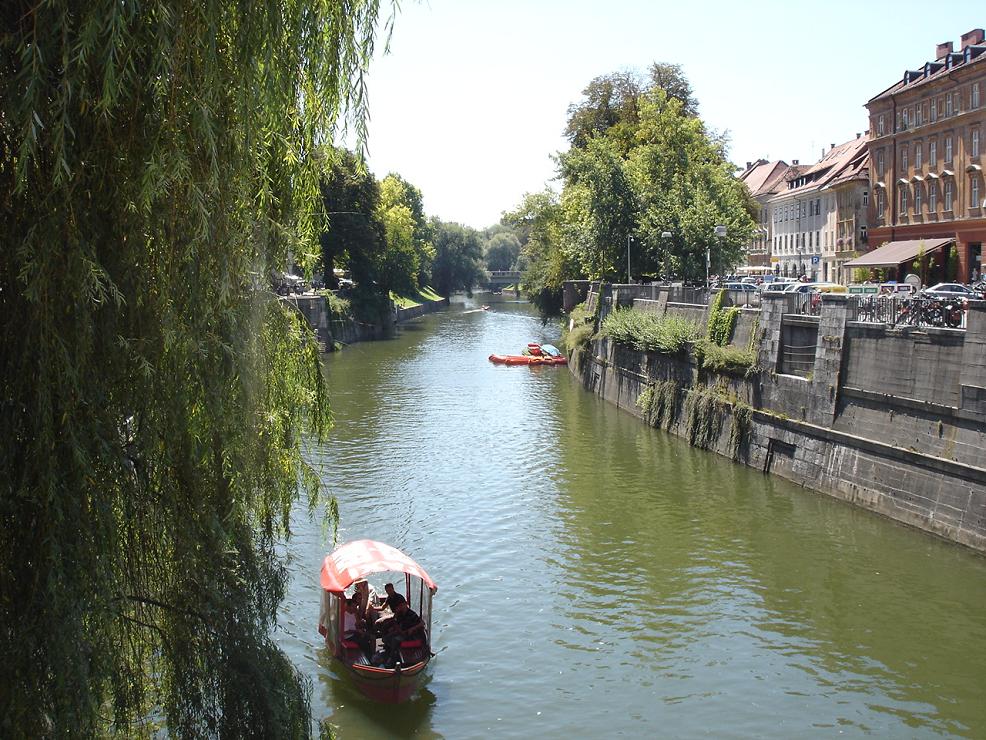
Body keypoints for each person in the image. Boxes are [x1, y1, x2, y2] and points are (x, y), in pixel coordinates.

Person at [377, 599, 426, 668]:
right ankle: (388, 653)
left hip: (412, 636)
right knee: (386, 638)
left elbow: (422, 623)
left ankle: (392, 658)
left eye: (402, 605)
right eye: (400, 606)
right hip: (403, 633)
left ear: (405, 605)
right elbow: (398, 625)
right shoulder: (400, 614)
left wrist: (412, 629)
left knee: (395, 640)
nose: (401, 607)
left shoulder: (412, 614)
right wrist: (395, 623)